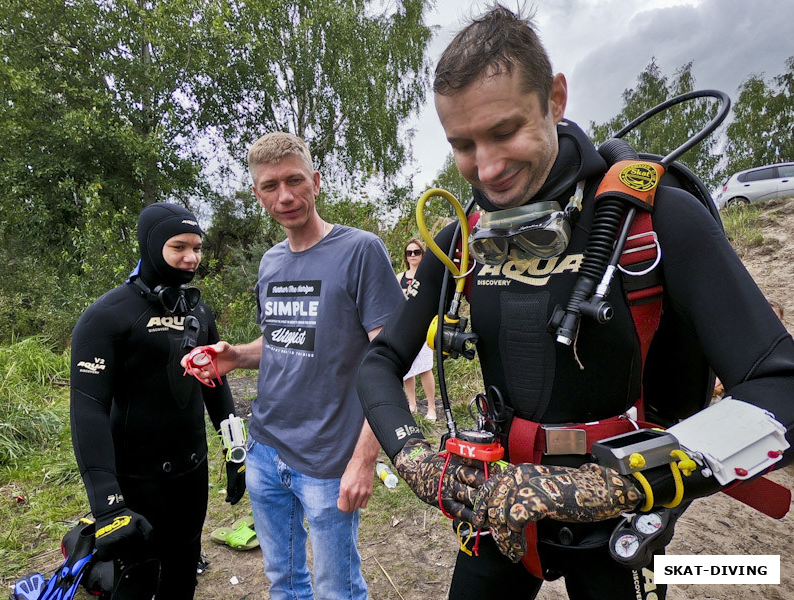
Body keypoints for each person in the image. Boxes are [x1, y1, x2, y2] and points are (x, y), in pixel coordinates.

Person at [357, 5, 794, 600]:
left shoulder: (654, 221)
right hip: (499, 510)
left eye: (505, 130)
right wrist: (416, 462)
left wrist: (592, 492)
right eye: (463, 144)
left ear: (555, 99)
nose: (486, 167)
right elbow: (380, 361)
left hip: (615, 519)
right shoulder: (463, 237)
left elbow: (780, 385)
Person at [182, 132, 403, 600]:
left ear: (316, 182)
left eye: (294, 180)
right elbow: (283, 340)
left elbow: (390, 361)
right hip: (264, 447)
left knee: (336, 590)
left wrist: (366, 458)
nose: (284, 196)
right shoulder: (271, 262)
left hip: (328, 457)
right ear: (258, 193)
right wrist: (237, 356)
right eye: (269, 186)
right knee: (283, 583)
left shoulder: (361, 251)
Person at [70, 202, 245, 599]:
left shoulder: (197, 309)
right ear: (151, 247)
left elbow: (214, 382)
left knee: (183, 573)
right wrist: (108, 505)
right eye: (178, 247)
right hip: (136, 480)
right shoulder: (106, 316)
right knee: (135, 582)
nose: (191, 258)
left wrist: (236, 449)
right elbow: (87, 409)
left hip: (191, 473)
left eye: (197, 248)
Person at [397, 238, 438, 420]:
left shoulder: (428, 274)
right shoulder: (400, 277)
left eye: (417, 252)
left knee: (425, 368)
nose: (413, 255)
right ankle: (411, 404)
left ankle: (431, 407)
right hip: (405, 326)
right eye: (409, 252)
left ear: (423, 254)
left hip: (425, 326)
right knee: (407, 368)